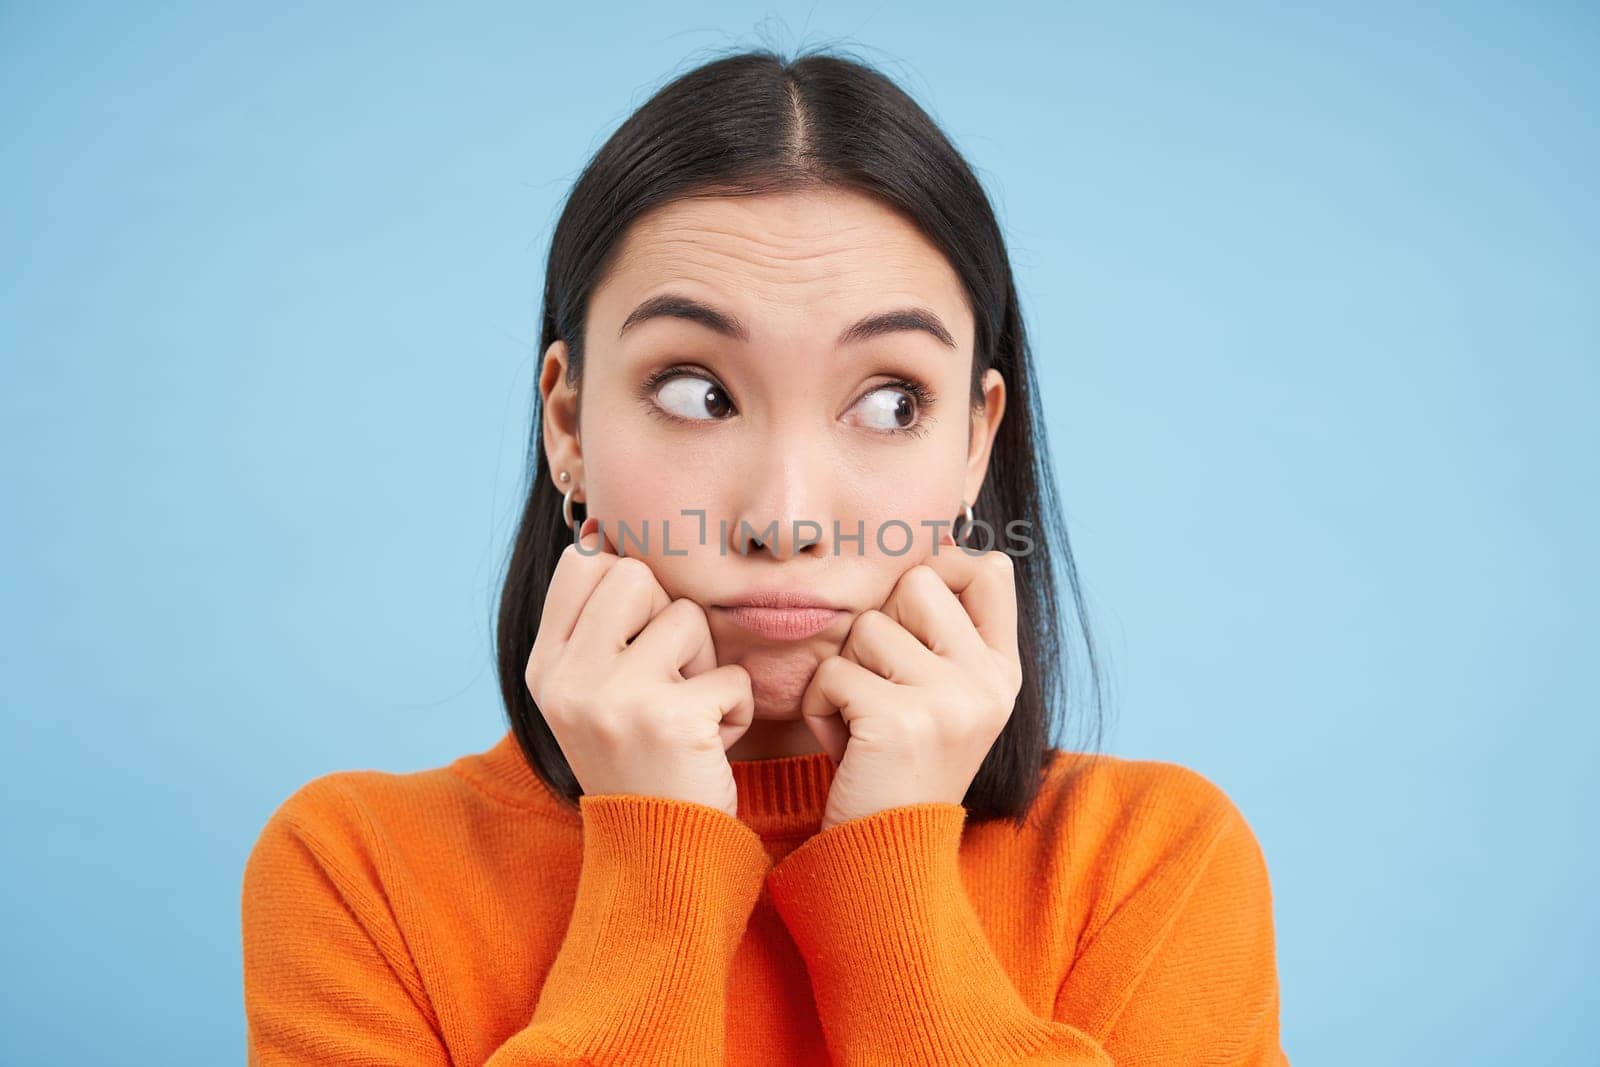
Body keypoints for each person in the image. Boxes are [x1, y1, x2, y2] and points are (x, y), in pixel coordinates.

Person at [241, 47, 1289, 1065]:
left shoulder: (1151, 861)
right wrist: (657, 858)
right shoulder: (359, 868)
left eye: (890, 403)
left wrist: (896, 873)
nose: (784, 517)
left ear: (976, 438)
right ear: (567, 422)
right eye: (697, 392)